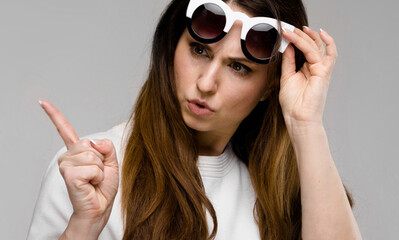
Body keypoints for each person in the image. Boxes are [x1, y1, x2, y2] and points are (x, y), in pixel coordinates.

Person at [30, 0, 361, 239]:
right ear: (173, 44)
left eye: (238, 67)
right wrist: (85, 224)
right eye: (199, 50)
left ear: (270, 87)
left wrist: (306, 123)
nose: (206, 83)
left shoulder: (286, 191)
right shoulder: (89, 172)